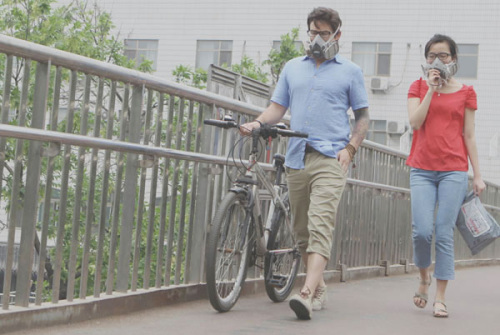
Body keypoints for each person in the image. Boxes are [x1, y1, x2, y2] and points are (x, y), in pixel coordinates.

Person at [240, 7, 369, 320]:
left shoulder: (350, 71)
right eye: (313, 32)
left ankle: (307, 293)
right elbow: (277, 108)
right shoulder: (292, 68)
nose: (316, 38)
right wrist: (256, 123)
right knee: (301, 231)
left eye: (323, 33)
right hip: (297, 155)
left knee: (320, 223)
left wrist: (350, 149)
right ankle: (319, 284)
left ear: (337, 35)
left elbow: (363, 117)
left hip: (332, 157)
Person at [407, 34, 486, 318]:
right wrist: (431, 89)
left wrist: (477, 175)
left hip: (453, 169)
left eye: (444, 56)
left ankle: (440, 296)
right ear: (425, 59)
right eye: (432, 56)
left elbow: (469, 135)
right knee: (421, 231)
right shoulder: (417, 86)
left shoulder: (467, 92)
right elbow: (415, 122)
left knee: (443, 232)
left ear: (454, 59)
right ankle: (423, 277)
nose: (437, 61)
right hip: (422, 169)